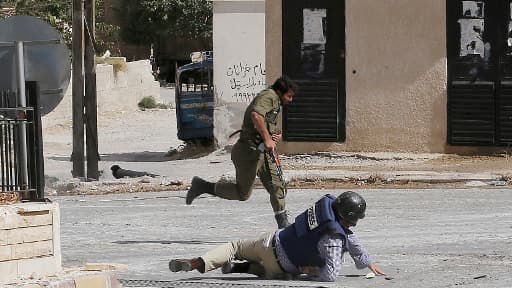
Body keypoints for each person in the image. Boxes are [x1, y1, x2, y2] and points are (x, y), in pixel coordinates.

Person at [169, 191, 386, 282]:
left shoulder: (326, 208)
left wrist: (367, 261)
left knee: (235, 246)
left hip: (269, 240)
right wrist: (312, 272)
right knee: (278, 273)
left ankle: (201, 262)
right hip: (281, 267)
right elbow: (331, 275)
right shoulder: (334, 239)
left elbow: (352, 239)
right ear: (350, 217)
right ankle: (243, 268)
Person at [185, 76, 297, 228]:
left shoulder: (276, 103)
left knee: (277, 185)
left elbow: (266, 123)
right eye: (289, 96)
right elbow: (256, 115)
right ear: (279, 91)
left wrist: (275, 135)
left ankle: (283, 224)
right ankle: (203, 186)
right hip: (248, 152)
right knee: (242, 194)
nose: (291, 100)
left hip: (263, 153)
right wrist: (267, 139)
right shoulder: (269, 96)